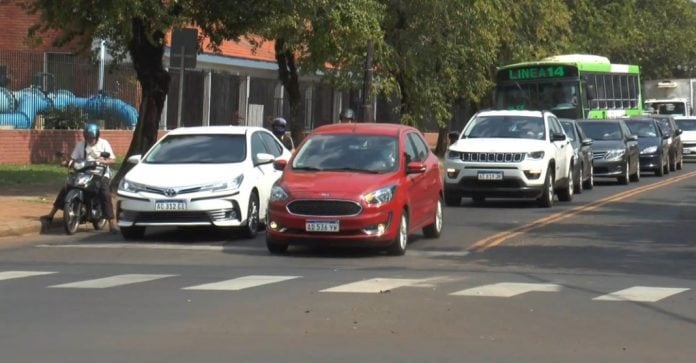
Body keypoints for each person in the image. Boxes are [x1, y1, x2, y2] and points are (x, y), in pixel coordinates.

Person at [41, 123, 117, 232]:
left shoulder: (104, 144)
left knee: (104, 193)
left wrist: (103, 161)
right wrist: (66, 162)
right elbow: (73, 158)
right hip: (83, 172)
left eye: (92, 138)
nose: (90, 140)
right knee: (66, 188)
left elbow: (113, 160)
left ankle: (111, 223)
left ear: (97, 136)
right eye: (88, 137)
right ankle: (51, 214)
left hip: (100, 173)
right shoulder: (81, 145)